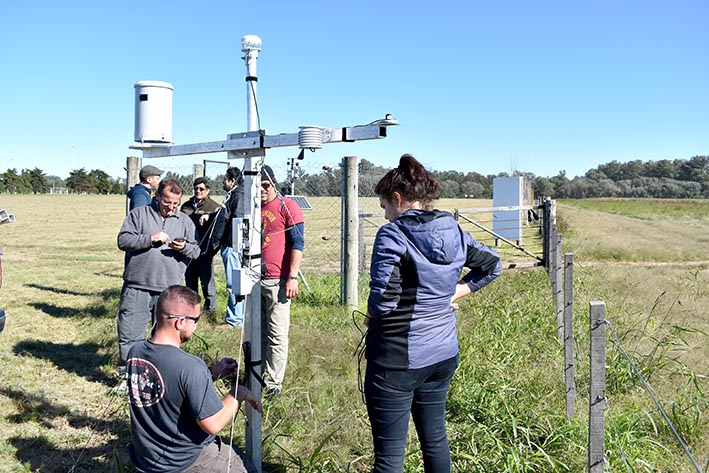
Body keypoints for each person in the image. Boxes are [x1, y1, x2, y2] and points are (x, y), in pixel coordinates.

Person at [364, 154, 502, 472]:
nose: (385, 216)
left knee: (389, 457)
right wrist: (454, 292)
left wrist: (371, 315)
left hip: (397, 360)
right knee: (435, 440)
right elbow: (492, 264)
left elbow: (384, 301)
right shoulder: (451, 228)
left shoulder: (393, 235)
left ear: (397, 199)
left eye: (385, 206)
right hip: (442, 354)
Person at [126, 285, 262, 473]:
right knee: (248, 469)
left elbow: (168, 384)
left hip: (148, 460)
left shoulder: (136, 352)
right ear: (180, 322)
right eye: (195, 319)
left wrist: (212, 373)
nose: (197, 325)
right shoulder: (190, 366)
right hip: (184, 462)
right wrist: (238, 394)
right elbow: (212, 424)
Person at [117, 178, 200, 381]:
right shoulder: (139, 214)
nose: (171, 208)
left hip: (169, 292)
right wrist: (150, 239)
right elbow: (123, 240)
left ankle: (160, 377)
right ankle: (129, 378)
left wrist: (185, 248)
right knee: (130, 335)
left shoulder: (184, 221)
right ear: (157, 197)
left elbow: (196, 251)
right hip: (138, 286)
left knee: (165, 338)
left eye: (175, 204)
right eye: (167, 202)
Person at [260, 165, 304, 397]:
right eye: (257, 187)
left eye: (265, 185)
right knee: (256, 332)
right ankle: (256, 375)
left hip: (278, 281)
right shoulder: (252, 208)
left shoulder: (288, 206)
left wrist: (292, 277)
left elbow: (298, 242)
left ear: (273, 183)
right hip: (253, 278)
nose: (261, 191)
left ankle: (273, 382)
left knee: (276, 334)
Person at [210, 167, 245, 329]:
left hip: (232, 246)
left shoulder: (237, 196)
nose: (223, 181)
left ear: (232, 180)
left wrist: (216, 243)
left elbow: (232, 220)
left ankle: (235, 320)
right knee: (239, 282)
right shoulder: (241, 194)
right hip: (236, 245)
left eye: (225, 178)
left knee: (235, 283)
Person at [180, 177, 220, 315]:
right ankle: (192, 309)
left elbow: (218, 230)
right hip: (188, 249)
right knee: (190, 280)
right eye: (196, 188)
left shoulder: (214, 207)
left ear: (208, 190)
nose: (198, 191)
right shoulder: (186, 206)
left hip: (205, 250)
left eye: (201, 189)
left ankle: (210, 310)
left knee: (207, 280)